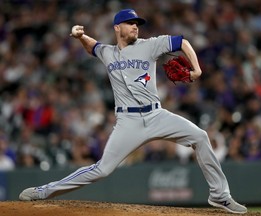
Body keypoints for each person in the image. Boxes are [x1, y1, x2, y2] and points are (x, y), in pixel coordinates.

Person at [19, 9, 247, 214]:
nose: (135, 26)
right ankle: (43, 191)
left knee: (200, 136)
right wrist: (80, 37)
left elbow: (182, 42)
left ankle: (220, 196)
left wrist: (196, 69)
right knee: (102, 170)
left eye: (137, 22)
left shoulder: (150, 44)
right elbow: (94, 47)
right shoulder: (107, 52)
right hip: (128, 121)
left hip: (157, 115)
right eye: (130, 22)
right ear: (117, 28)